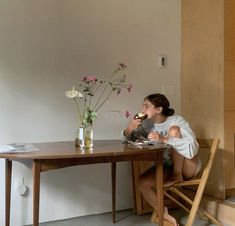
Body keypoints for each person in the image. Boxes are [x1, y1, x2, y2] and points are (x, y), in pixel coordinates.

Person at [123, 93, 200, 226]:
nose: (143, 110)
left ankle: (177, 175)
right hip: (167, 165)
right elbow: (128, 140)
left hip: (188, 166)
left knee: (174, 131)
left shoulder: (177, 120)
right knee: (142, 183)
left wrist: (164, 139)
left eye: (147, 106)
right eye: (143, 106)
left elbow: (192, 149)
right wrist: (131, 127)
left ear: (158, 109)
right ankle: (163, 212)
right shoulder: (147, 125)